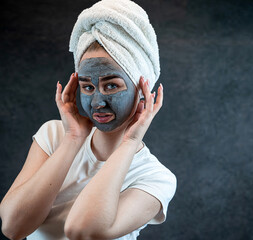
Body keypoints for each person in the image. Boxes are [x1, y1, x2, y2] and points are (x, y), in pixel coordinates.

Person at [0, 0, 177, 239]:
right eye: (87, 86)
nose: (96, 102)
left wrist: (130, 142)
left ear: (143, 91)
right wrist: (72, 139)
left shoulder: (155, 178)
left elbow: (82, 231)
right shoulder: (54, 136)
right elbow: (13, 227)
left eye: (111, 85)